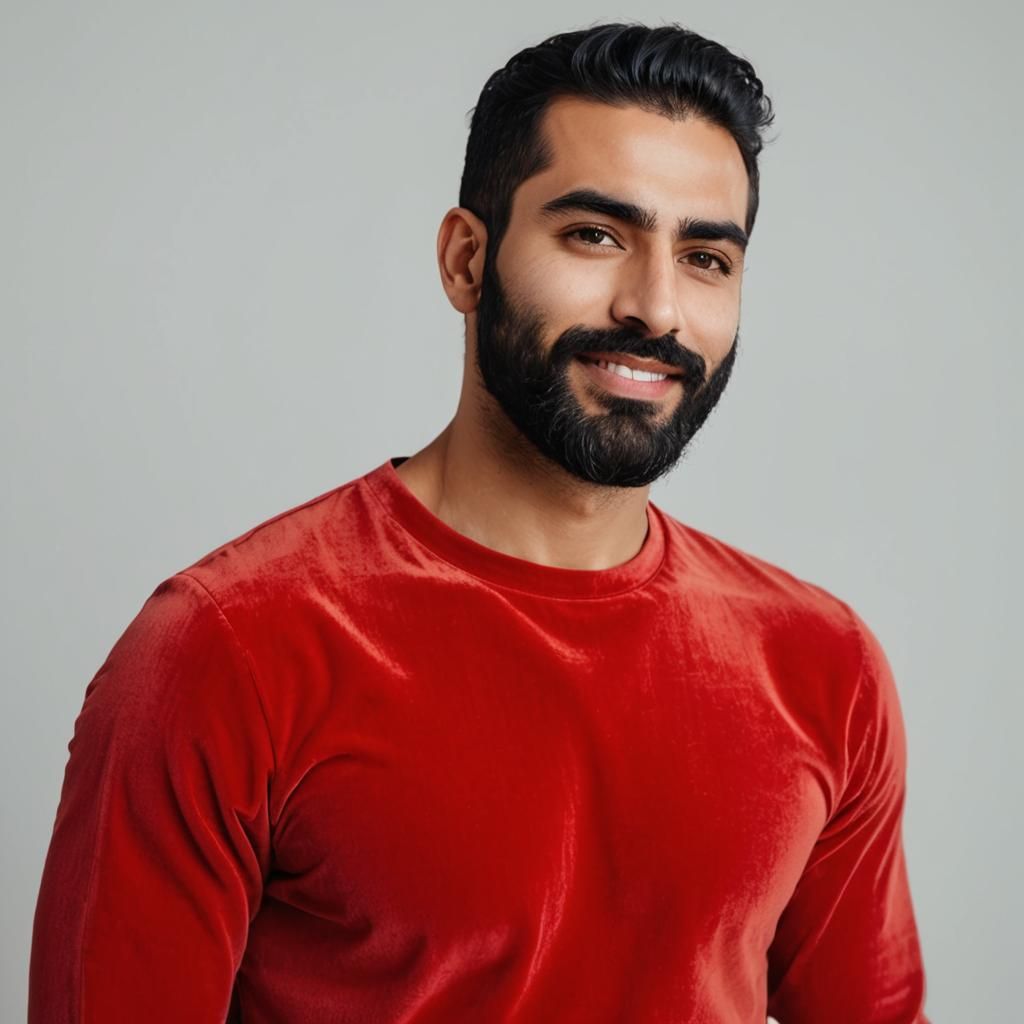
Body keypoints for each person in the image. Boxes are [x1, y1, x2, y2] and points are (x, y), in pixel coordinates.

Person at [28, 21, 931, 1023]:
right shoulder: (227, 651)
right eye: (595, 236)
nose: (656, 308)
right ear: (466, 259)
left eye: (706, 256)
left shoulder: (824, 669)